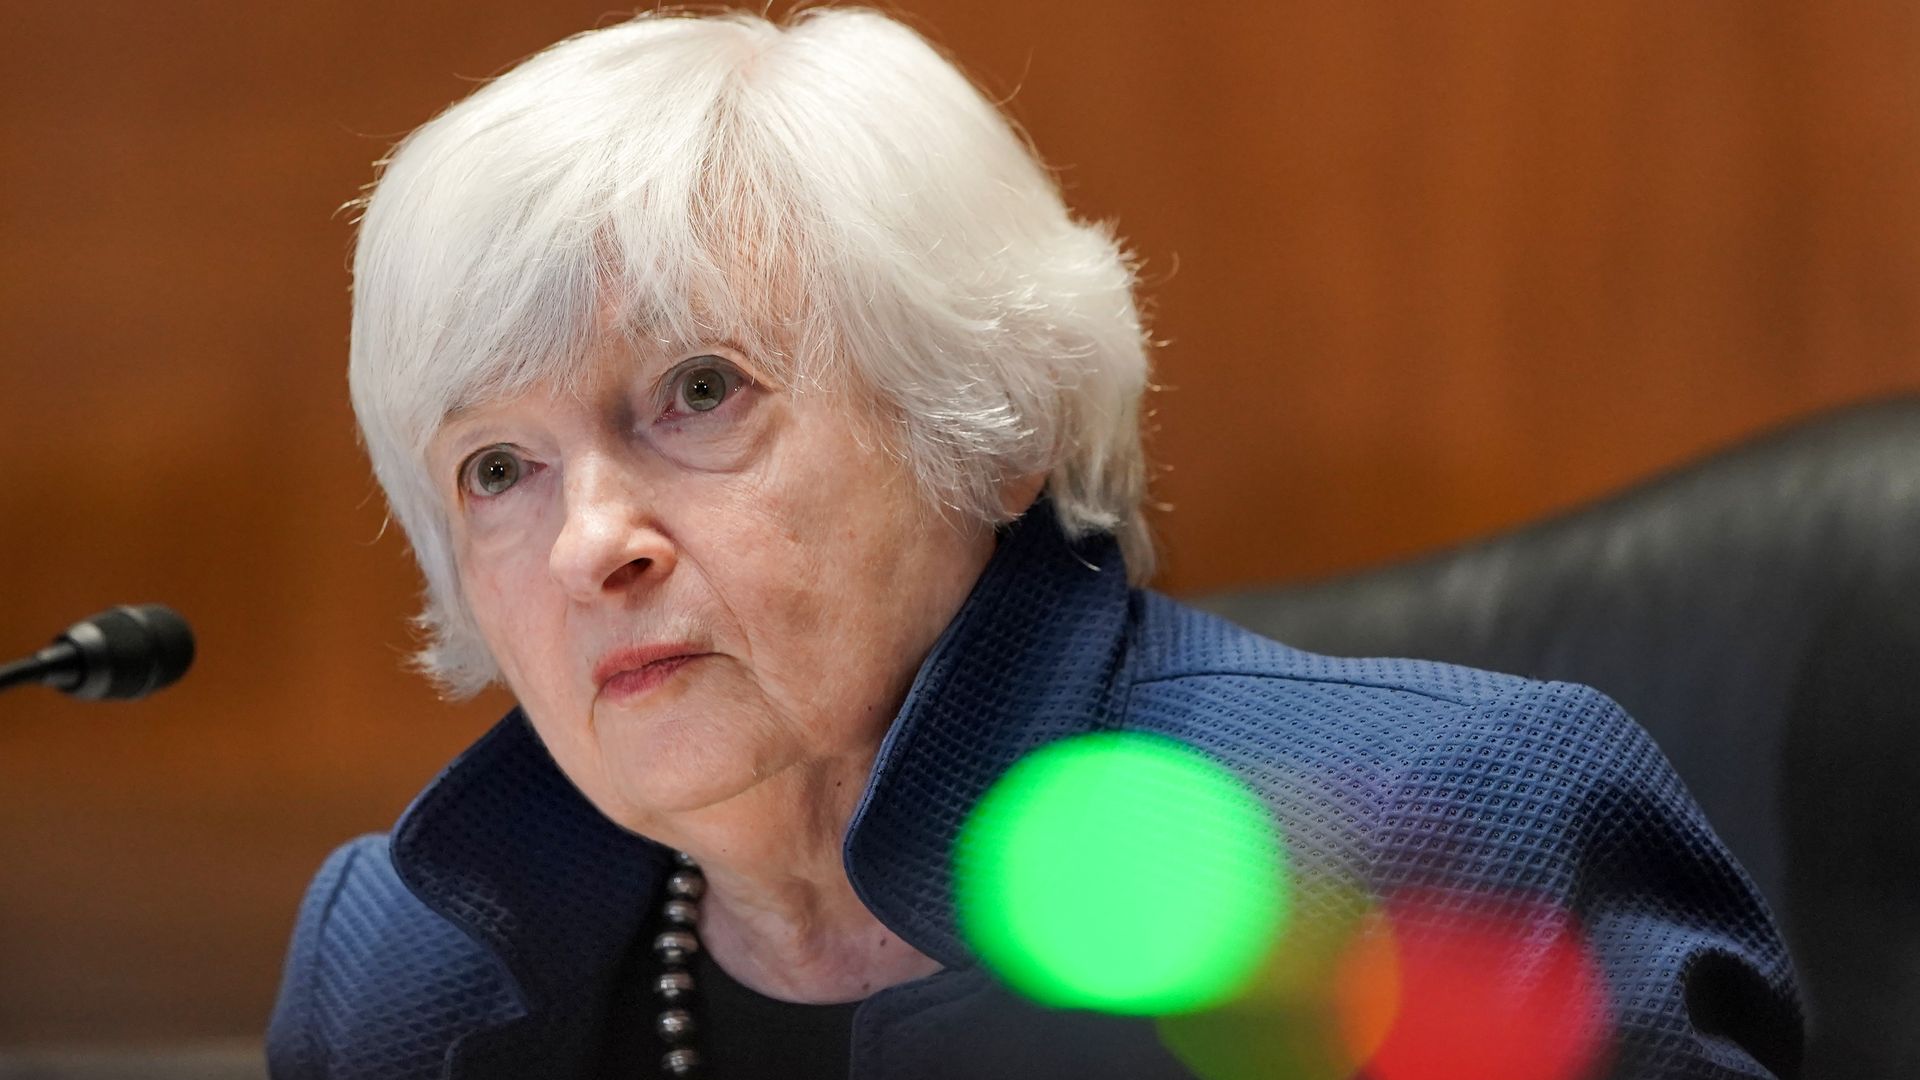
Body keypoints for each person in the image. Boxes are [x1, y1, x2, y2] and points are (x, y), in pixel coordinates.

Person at [266, 9, 1802, 1079]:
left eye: (701, 391)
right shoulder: (397, 971)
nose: (591, 542)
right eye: (498, 469)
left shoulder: (1450, 855)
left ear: (993, 423)